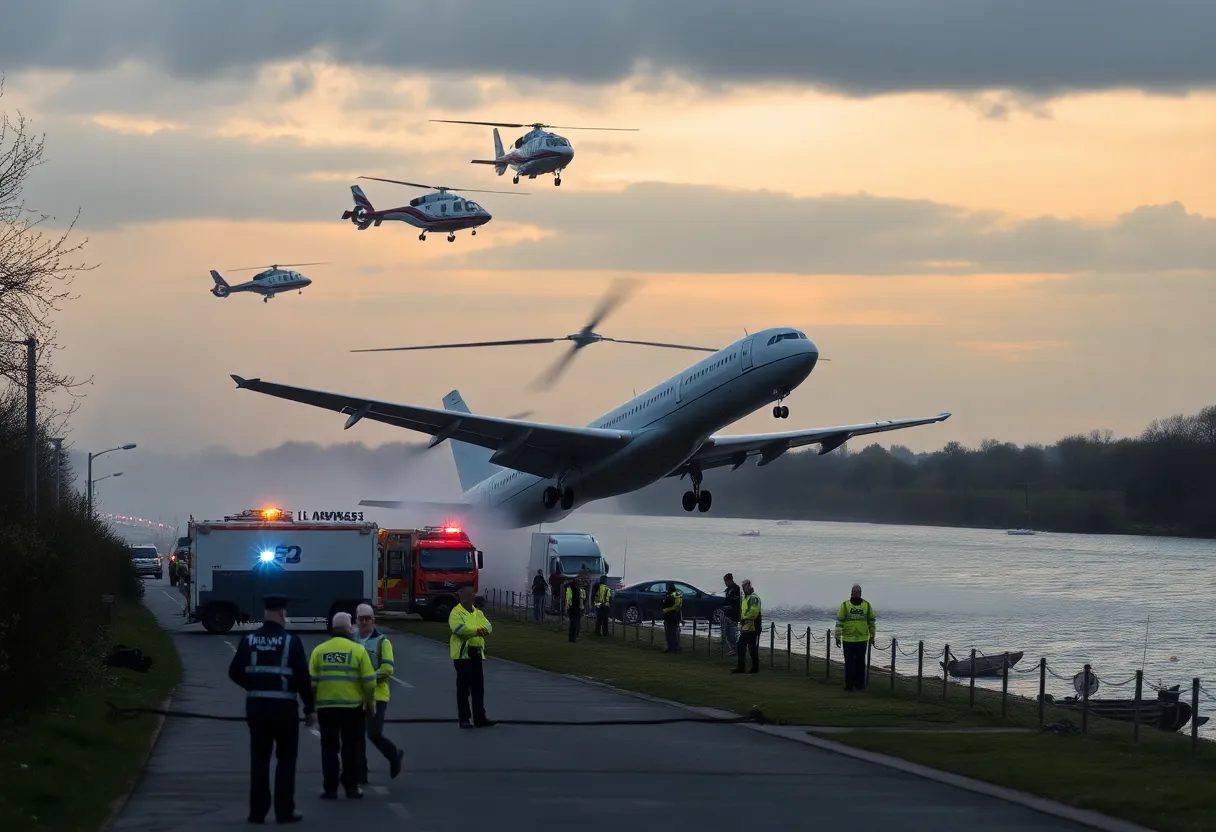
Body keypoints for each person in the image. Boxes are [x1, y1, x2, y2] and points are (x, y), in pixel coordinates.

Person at [227, 594, 314, 825]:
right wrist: (309, 709)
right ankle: (284, 812)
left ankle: (257, 813)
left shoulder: (249, 640)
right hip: (285, 711)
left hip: (257, 710)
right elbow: (303, 679)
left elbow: (234, 672)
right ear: (283, 613)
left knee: (259, 761)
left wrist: (253, 685)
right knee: (286, 760)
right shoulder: (291, 642)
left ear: (265, 613)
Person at [309, 611, 376, 799]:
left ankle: (329, 789)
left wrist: (312, 706)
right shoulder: (358, 651)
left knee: (329, 748)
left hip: (326, 707)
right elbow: (369, 682)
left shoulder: (319, 651)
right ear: (349, 628)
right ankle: (352, 787)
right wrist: (370, 704)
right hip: (352, 707)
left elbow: (312, 682)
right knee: (351, 748)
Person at [354, 603, 404, 785]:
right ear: (356, 620)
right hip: (356, 695)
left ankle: (394, 756)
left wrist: (368, 678)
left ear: (373, 620)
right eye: (361, 618)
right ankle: (361, 772)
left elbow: (388, 668)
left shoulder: (383, 641)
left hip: (377, 695)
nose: (364, 622)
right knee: (356, 735)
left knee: (374, 733)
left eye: (368, 618)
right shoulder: (351, 639)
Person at [450, 587, 495, 728]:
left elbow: (488, 627)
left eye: (472, 596)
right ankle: (464, 719)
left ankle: (480, 718)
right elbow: (459, 629)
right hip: (462, 654)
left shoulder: (478, 613)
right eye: (468, 596)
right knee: (463, 689)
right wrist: (478, 631)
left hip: (476, 653)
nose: (471, 598)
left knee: (478, 688)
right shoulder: (456, 613)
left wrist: (479, 630)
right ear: (462, 597)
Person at [835, 584, 876, 692]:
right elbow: (840, 622)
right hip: (848, 639)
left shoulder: (867, 605)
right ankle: (849, 685)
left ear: (860, 593)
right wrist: (837, 636)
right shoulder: (845, 605)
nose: (856, 593)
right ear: (851, 593)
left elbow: (871, 621)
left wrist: (872, 635)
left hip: (862, 639)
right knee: (849, 663)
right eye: (854, 592)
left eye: (857, 592)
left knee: (860, 663)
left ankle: (860, 685)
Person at [732, 579, 761, 674]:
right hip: (747, 627)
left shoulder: (753, 598)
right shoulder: (747, 598)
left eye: (744, 587)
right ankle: (755, 668)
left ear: (748, 587)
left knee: (741, 645)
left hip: (752, 627)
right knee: (751, 648)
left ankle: (742, 667)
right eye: (743, 587)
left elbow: (753, 613)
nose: (743, 589)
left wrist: (744, 619)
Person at [721, 573, 741, 656]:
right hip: (727, 614)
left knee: (732, 634)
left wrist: (728, 607)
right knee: (727, 634)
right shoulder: (728, 589)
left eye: (726, 581)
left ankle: (737, 649)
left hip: (733, 615)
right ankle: (733, 649)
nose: (725, 583)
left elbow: (736, 603)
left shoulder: (736, 588)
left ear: (729, 580)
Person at [661, 581, 683, 653]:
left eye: (667, 586)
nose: (666, 588)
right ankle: (677, 646)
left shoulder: (669, 596)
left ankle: (670, 647)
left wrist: (663, 602)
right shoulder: (678, 594)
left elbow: (664, 604)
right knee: (675, 631)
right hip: (677, 615)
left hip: (669, 616)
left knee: (669, 632)